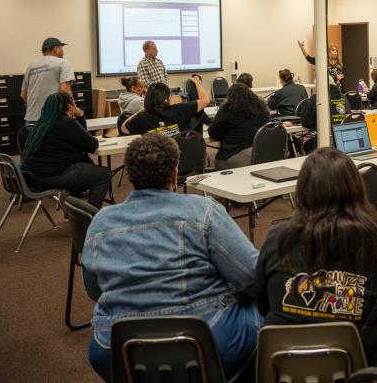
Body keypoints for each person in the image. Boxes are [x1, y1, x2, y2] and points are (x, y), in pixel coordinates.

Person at [82, 134, 261, 382]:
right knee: (259, 311)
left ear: (131, 176)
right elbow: (252, 275)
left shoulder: (100, 222)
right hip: (205, 341)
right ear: (175, 174)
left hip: (116, 349)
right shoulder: (203, 211)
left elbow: (93, 289)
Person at [254, 147, 377, 367]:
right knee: (372, 334)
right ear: (356, 189)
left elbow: (263, 302)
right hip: (355, 366)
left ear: (302, 191)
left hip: (284, 368)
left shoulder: (278, 237)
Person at [20, 92, 111, 208]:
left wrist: (79, 117)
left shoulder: (42, 123)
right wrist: (81, 115)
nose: (76, 105)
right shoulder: (66, 122)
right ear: (69, 106)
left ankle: (73, 212)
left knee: (81, 168)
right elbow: (92, 144)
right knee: (103, 174)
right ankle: (91, 216)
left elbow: (81, 138)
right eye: (74, 102)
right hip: (50, 177)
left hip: (33, 176)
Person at [208, 83, 272, 169]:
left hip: (236, 155)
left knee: (219, 161)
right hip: (262, 153)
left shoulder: (228, 109)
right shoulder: (261, 108)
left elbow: (213, 133)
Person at [120, 76, 209, 136]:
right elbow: (205, 100)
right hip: (177, 157)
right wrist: (197, 83)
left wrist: (143, 109)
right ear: (166, 99)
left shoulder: (142, 117)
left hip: (153, 160)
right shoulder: (179, 109)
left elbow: (124, 128)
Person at [21, 37, 74, 123]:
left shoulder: (31, 66)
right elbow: (64, 90)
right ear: (56, 49)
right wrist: (73, 110)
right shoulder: (63, 63)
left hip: (31, 120)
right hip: (53, 119)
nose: (63, 52)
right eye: (62, 48)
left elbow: (23, 95)